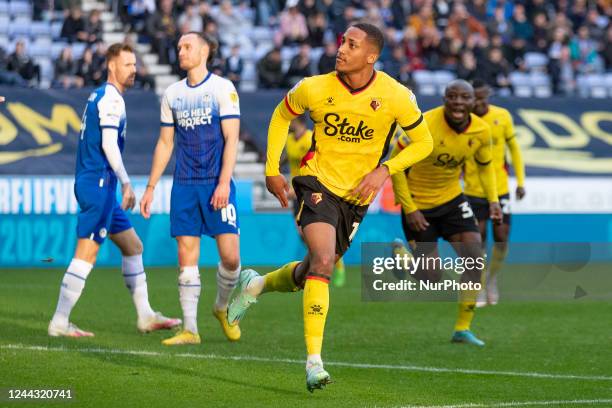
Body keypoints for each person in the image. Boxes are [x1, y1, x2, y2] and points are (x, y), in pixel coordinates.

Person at [228, 23, 433, 391]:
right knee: (323, 261)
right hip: (316, 181)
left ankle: (255, 285)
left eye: (351, 45)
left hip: (356, 199)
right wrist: (272, 169)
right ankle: (314, 362)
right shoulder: (314, 87)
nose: (341, 49)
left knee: (312, 269)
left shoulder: (396, 95)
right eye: (342, 42)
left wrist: (384, 170)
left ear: (371, 57)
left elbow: (423, 143)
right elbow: (280, 116)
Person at [48, 43, 181, 338]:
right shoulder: (111, 99)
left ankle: (146, 315)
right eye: (128, 64)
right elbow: (108, 145)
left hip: (98, 185)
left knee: (133, 246)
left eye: (135, 64)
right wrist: (125, 181)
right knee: (87, 254)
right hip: (99, 184)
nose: (134, 70)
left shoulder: (100, 96)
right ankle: (59, 321)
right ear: (112, 66)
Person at [140, 32, 242, 346]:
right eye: (180, 46)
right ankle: (190, 329)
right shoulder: (172, 93)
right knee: (186, 255)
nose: (180, 51)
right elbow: (165, 142)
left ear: (204, 51)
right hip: (184, 184)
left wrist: (224, 181)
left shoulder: (222, 88)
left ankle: (222, 307)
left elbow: (231, 139)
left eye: (187, 46)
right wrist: (151, 186)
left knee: (230, 258)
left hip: (216, 183)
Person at [391, 79, 502, 347]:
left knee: (476, 260)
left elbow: (486, 167)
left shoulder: (481, 131)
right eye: (453, 97)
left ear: (473, 102)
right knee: (431, 276)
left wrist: (494, 200)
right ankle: (405, 260)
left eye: (465, 97)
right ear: (444, 99)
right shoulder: (423, 125)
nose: (459, 103)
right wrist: (410, 209)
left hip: (452, 200)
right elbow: (395, 167)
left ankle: (462, 329)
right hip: (419, 203)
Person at [466, 79, 525, 307]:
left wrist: (520, 181)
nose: (480, 103)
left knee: (501, 239)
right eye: (475, 98)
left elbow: (515, 150)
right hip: (473, 190)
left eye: (483, 98)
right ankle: (479, 286)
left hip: (500, 190)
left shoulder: (502, 116)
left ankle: (492, 279)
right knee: (477, 242)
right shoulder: (464, 121)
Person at [285, 116, 346, 287]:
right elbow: (289, 159)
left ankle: (337, 265)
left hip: (309, 190)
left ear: (298, 121)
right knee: (302, 235)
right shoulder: (289, 140)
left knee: (307, 232)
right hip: (295, 192)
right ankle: (321, 262)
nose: (288, 123)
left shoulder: (311, 138)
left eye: (291, 120)